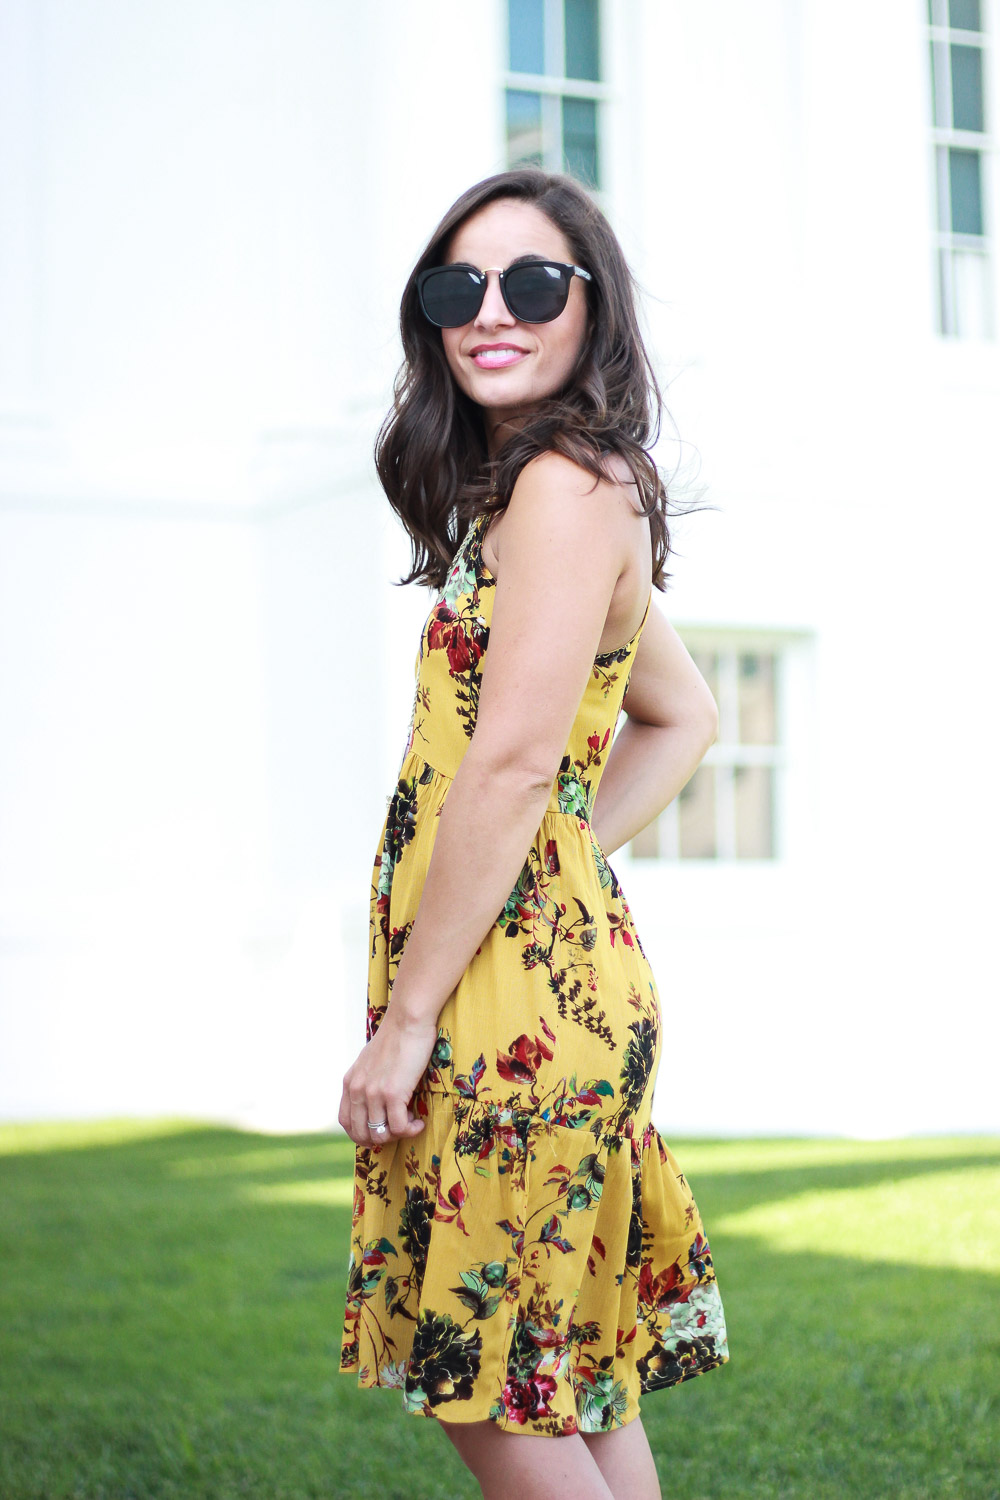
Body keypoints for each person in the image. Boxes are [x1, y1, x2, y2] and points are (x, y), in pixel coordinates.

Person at [338, 167, 729, 1500]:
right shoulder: (557, 489)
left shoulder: (564, 486)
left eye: (531, 282)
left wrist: (404, 1022)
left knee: (490, 1387)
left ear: (592, 307)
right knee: (561, 1376)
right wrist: (566, 857)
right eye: (458, 287)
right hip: (548, 983)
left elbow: (506, 771)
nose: (488, 311)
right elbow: (682, 715)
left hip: (509, 1017)